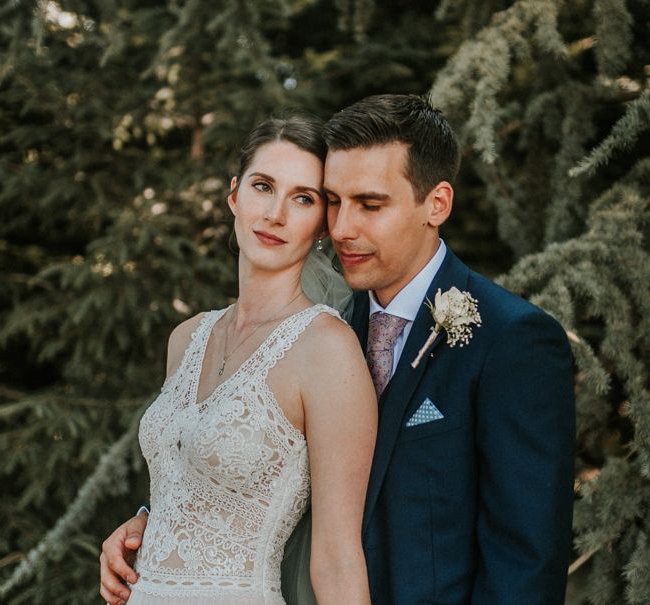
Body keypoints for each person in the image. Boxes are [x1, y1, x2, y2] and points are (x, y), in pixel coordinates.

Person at [102, 95, 575, 604]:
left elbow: (527, 561)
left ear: (436, 204)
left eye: (370, 204)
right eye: (333, 201)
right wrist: (150, 521)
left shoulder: (511, 340)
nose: (343, 228)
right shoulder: (322, 324)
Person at [99, 115, 377, 605]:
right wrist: (142, 523)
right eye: (263, 186)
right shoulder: (187, 338)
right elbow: (183, 485)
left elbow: (337, 558)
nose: (275, 214)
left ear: (321, 225)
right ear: (234, 196)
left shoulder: (325, 349)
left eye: (303, 198)